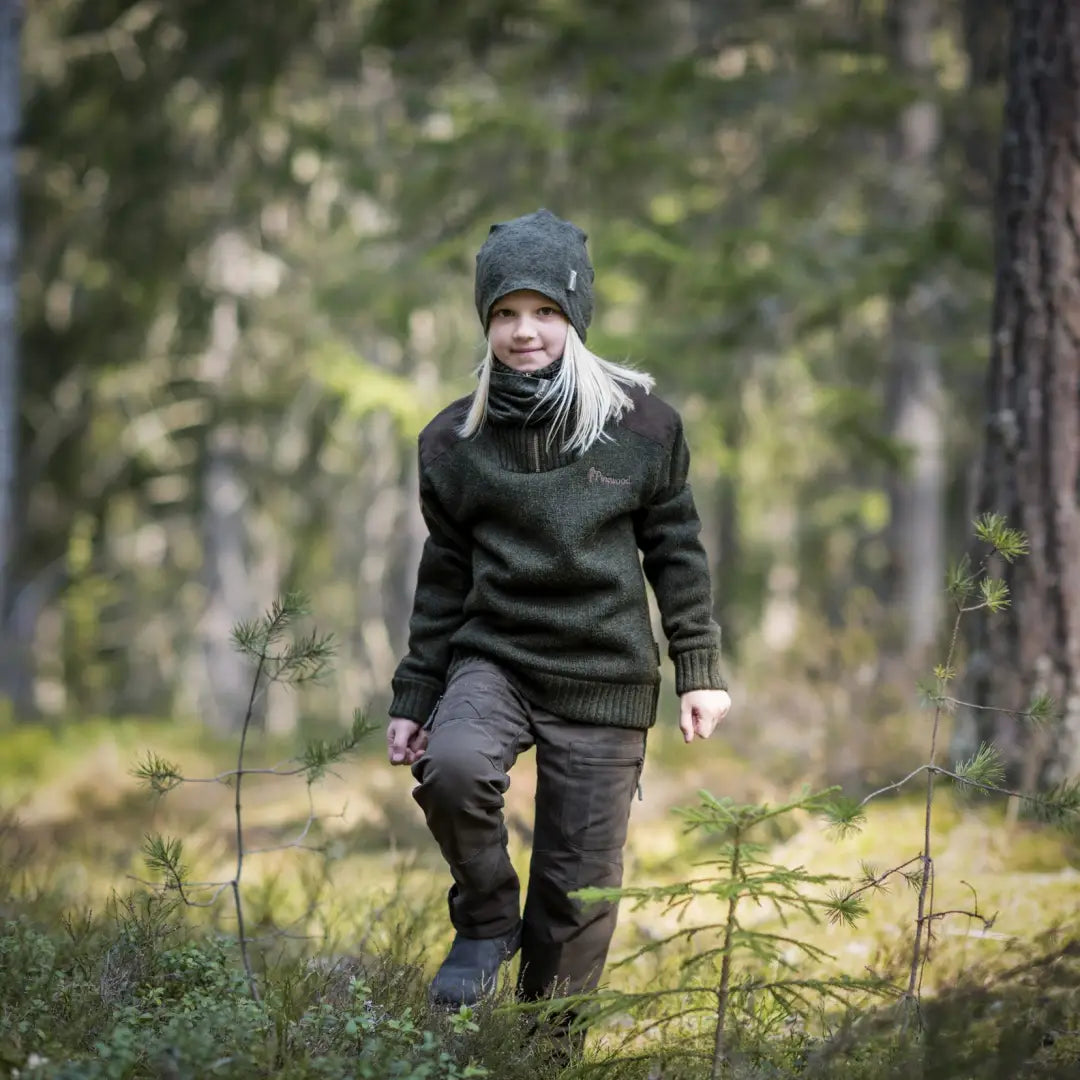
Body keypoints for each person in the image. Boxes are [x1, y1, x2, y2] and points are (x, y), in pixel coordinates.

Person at [385, 209, 731, 1035]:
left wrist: (700, 669)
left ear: (575, 315)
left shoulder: (642, 427)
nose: (524, 331)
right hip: (494, 657)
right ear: (485, 321)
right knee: (456, 768)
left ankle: (543, 1056)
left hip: (604, 671)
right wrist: (414, 693)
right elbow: (444, 574)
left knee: (576, 896)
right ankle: (484, 919)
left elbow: (676, 552)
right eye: (505, 312)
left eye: (544, 311)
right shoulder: (454, 440)